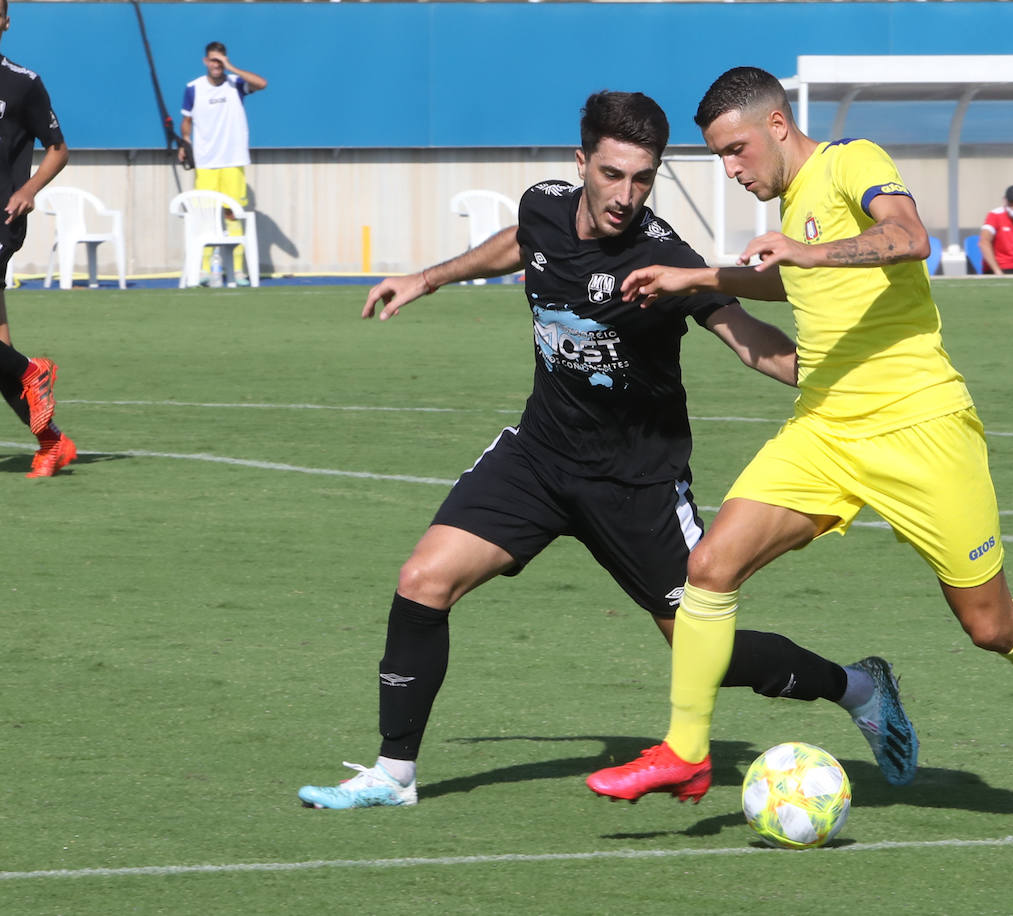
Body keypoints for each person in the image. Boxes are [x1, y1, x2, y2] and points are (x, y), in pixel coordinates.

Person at [296, 91, 918, 810]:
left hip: (638, 486)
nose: (627, 195)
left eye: (644, 178)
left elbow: (749, 339)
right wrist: (427, 278)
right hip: (540, 458)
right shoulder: (543, 207)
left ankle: (857, 686)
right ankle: (393, 775)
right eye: (613, 174)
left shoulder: (662, 259)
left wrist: (850, 380)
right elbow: (519, 244)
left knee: (705, 655)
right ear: (581, 162)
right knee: (422, 581)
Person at [586, 67, 1013, 806]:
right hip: (825, 429)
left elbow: (907, 237)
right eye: (719, 158)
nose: (731, 170)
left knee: (989, 625)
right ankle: (687, 751)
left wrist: (807, 252)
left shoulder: (850, 160)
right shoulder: (790, 209)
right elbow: (788, 280)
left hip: (921, 426)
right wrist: (693, 277)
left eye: (736, 151)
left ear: (777, 126)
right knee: (709, 568)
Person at [0, 0, 75, 477]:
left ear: (4, 21)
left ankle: (31, 370)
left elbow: (58, 148)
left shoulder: (23, 84)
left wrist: (28, 188)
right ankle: (53, 442)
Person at [178, 41, 267, 287]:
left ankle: (237, 270)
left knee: (232, 214)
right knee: (205, 216)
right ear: (205, 61)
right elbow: (186, 120)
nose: (216, 65)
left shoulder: (235, 84)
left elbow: (262, 84)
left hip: (233, 160)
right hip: (206, 163)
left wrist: (231, 67)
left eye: (220, 61)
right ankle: (206, 269)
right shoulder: (193, 88)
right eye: (212, 60)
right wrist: (185, 143)